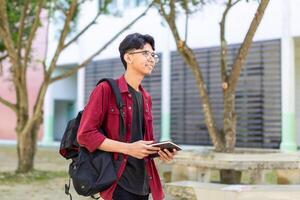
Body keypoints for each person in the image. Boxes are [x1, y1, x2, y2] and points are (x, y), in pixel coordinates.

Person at [77, 33, 176, 200]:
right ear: (128, 57)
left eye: (153, 55)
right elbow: (85, 135)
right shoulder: (105, 89)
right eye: (145, 53)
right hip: (117, 184)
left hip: (144, 184)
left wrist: (159, 152)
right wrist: (128, 148)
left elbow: (143, 142)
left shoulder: (146, 98)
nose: (151, 59)